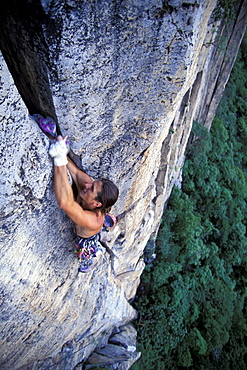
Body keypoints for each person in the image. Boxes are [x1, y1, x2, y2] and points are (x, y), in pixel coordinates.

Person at [49, 135, 119, 272]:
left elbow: (66, 203)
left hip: (86, 236)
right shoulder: (88, 185)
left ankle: (89, 261)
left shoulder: (93, 220)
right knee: (97, 230)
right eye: (93, 184)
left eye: (92, 188)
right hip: (93, 219)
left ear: (97, 203)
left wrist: (59, 159)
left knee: (86, 252)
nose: (87, 184)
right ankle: (102, 233)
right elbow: (73, 171)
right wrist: (58, 144)